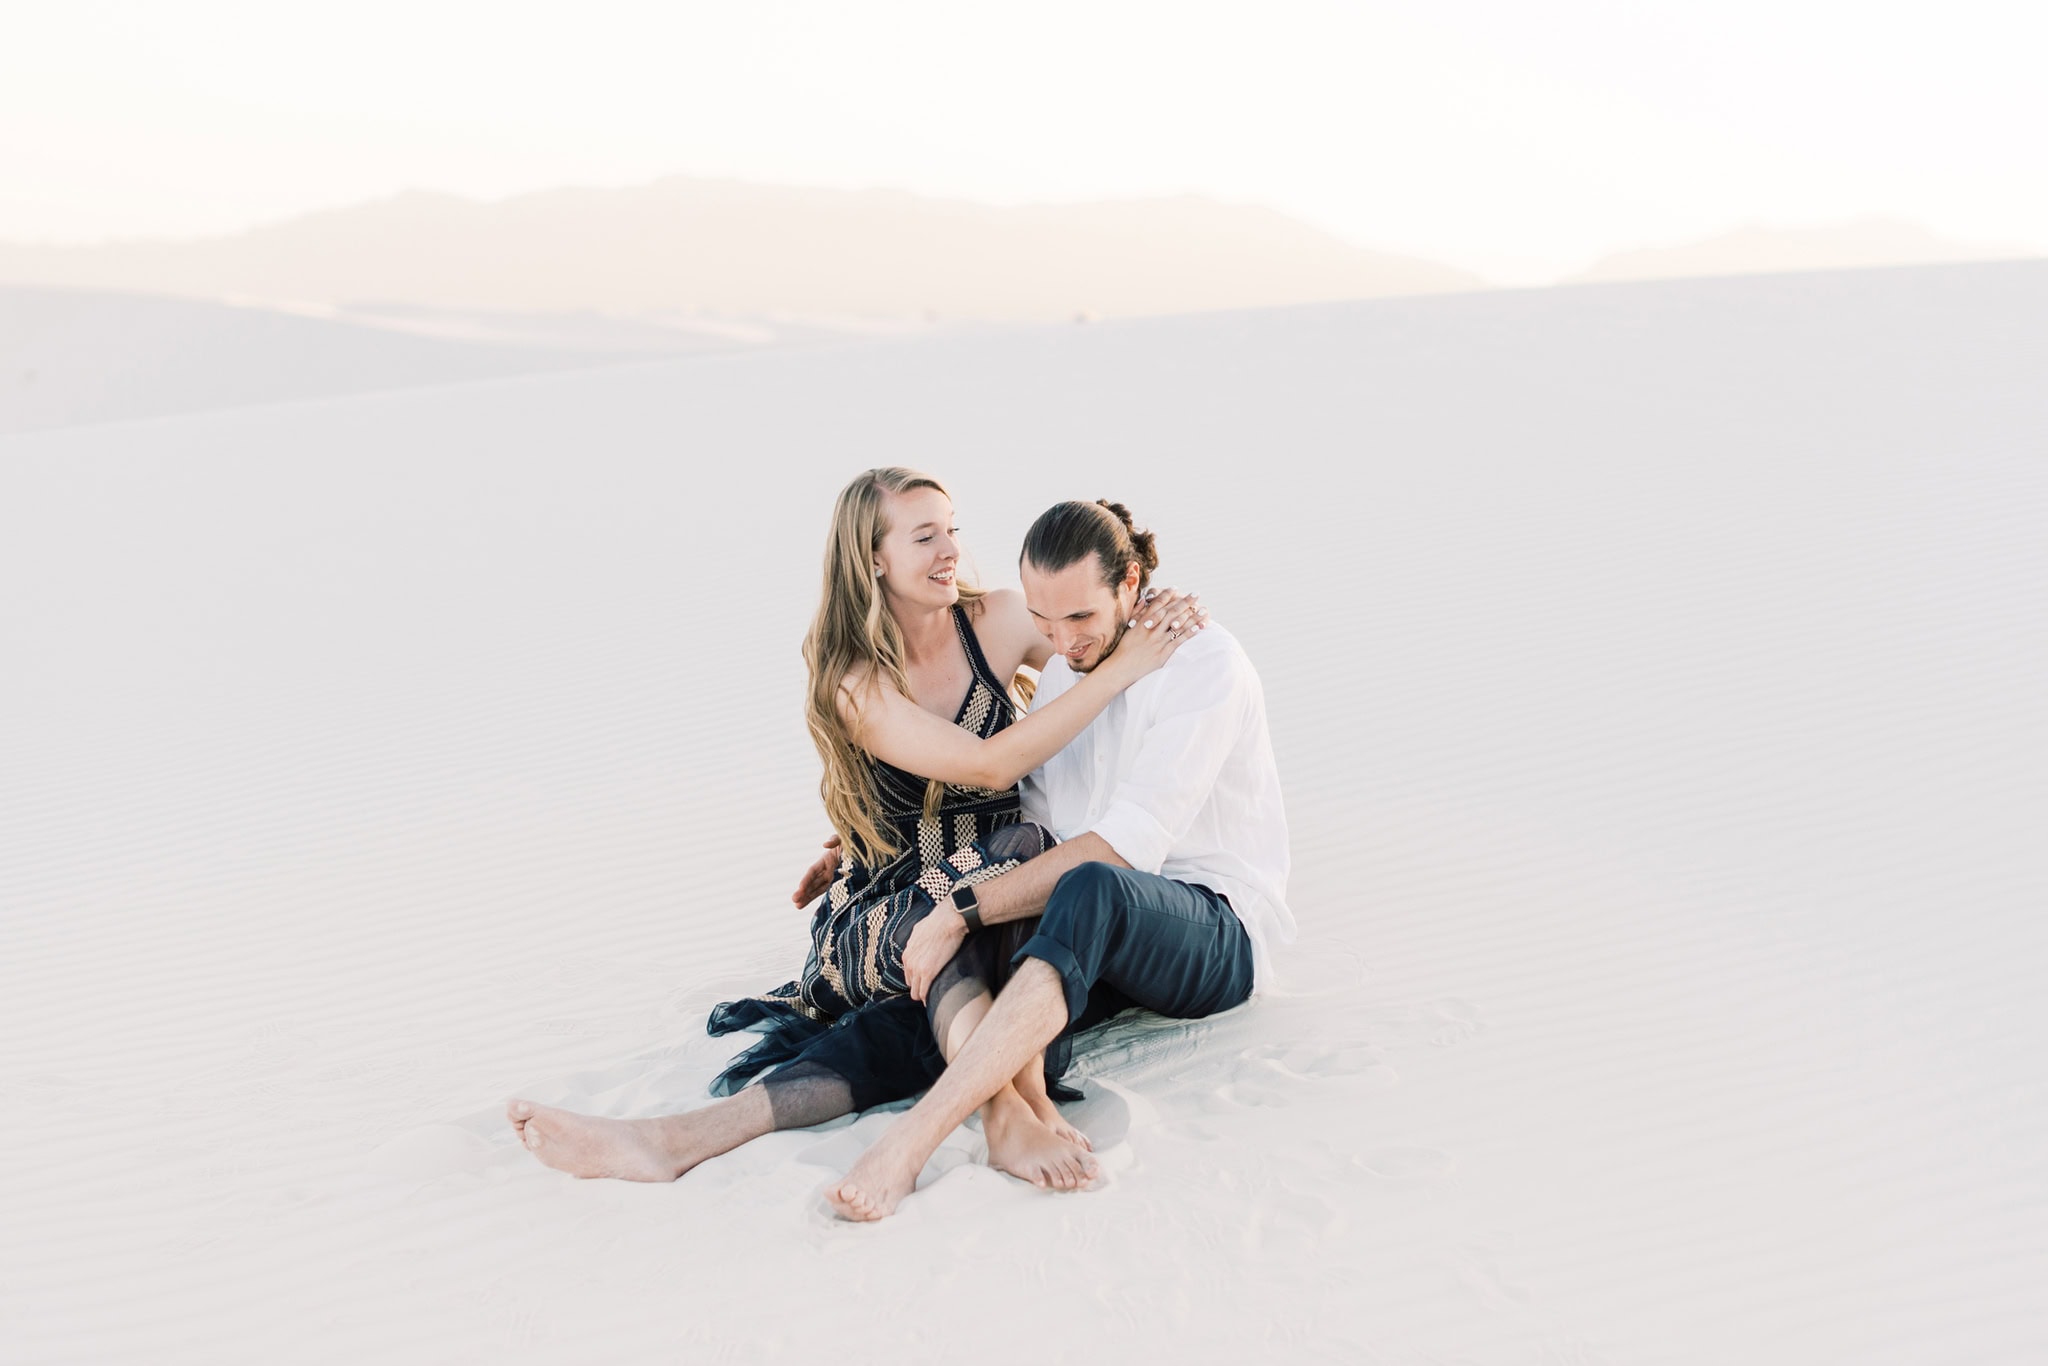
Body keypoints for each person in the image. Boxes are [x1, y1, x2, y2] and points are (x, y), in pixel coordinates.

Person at [507, 469, 1204, 1189]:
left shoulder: (995, 619)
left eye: (953, 530)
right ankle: (1005, 1113)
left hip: (997, 884)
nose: (950, 551)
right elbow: (992, 767)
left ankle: (671, 1141)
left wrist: (1150, 608)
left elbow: (1085, 619)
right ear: (872, 557)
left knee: (928, 1002)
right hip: (891, 908)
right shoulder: (854, 677)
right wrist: (1119, 673)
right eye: (925, 536)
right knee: (955, 925)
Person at [821, 498, 1292, 1220]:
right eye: (1044, 624)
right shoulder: (1070, 678)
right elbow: (1027, 819)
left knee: (1083, 885)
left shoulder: (1203, 663)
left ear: (1130, 583)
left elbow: (1124, 849)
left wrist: (962, 906)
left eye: (1080, 618)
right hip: (1105, 943)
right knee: (954, 968)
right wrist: (867, 851)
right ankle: (709, 1128)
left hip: (1213, 929)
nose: (1064, 641)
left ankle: (915, 1140)